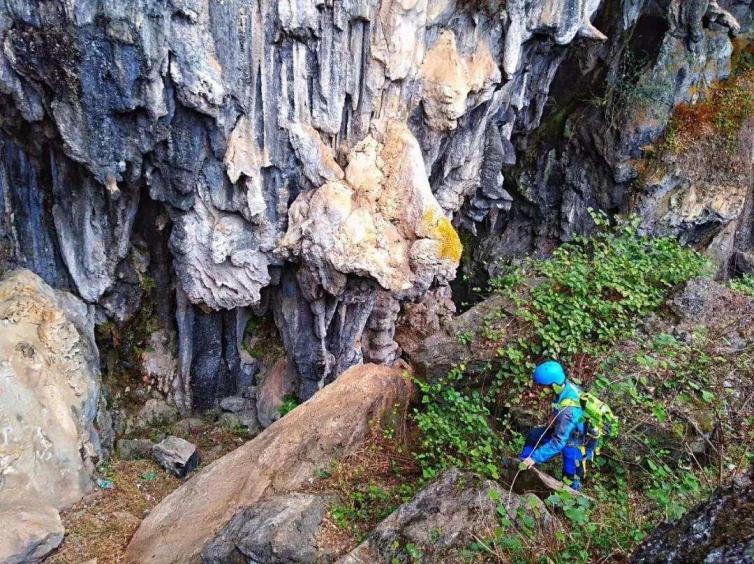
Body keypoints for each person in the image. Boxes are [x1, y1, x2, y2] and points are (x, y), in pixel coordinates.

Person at [518, 360, 586, 490]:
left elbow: (558, 442)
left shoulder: (568, 411)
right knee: (534, 435)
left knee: (571, 473)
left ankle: (572, 495)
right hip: (565, 428)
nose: (540, 389)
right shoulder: (564, 387)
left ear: (553, 385)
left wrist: (535, 457)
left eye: (543, 386)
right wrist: (553, 417)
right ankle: (523, 463)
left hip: (575, 439)